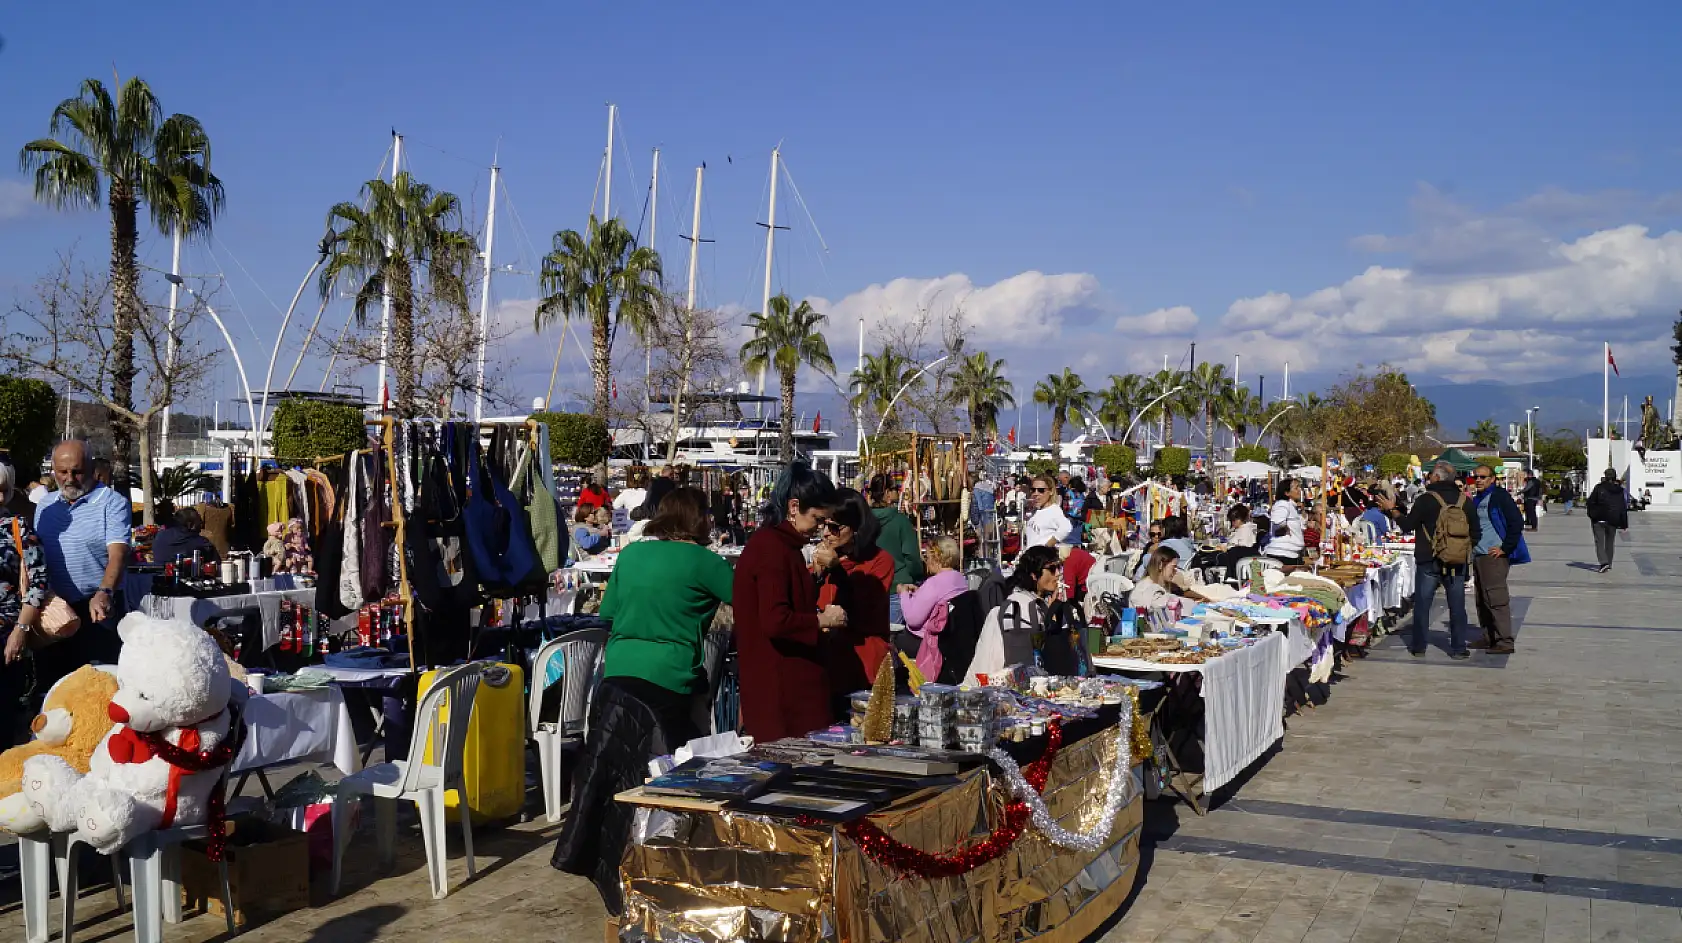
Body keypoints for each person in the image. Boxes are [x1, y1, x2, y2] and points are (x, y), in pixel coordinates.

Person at [598, 487, 734, 744]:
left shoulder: (630, 554)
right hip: (670, 674)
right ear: (698, 518)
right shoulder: (707, 562)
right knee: (674, 758)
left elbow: (607, 614)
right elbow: (751, 603)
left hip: (618, 668)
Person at [732, 463, 845, 742]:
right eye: (817, 519)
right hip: (782, 693)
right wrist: (822, 620)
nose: (820, 529)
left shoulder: (782, 547)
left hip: (786, 686)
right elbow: (775, 619)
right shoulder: (772, 549)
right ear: (794, 507)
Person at [34, 441, 129, 670]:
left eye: (77, 472)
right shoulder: (45, 505)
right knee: (53, 686)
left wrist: (104, 591)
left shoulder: (112, 502)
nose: (69, 478)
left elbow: (118, 555)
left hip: (96, 609)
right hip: (55, 610)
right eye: (62, 472)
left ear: (91, 468)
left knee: (101, 681)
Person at [1375, 461, 1481, 659]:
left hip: (1428, 560)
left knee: (1423, 604)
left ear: (1438, 478)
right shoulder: (1464, 501)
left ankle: (1419, 646)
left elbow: (1407, 525)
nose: (1428, 477)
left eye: (1431, 474)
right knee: (1457, 605)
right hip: (1456, 562)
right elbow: (1475, 532)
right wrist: (1459, 549)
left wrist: (1393, 510)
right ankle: (1458, 648)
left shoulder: (1426, 499)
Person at [813, 487, 895, 700]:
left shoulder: (880, 561)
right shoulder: (827, 559)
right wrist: (816, 577)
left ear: (855, 528)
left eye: (834, 527)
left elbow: (862, 609)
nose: (826, 534)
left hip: (864, 669)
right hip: (828, 667)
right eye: (823, 526)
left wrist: (837, 571)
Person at [1, 463, 49, 748]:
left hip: (5, 632)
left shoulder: (17, 527)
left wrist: (20, 630)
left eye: (2, 490)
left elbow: (38, 582)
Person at [965, 545, 1059, 681]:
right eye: (1052, 569)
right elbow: (1030, 658)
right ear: (1034, 575)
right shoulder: (1023, 608)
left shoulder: (1031, 603)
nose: (1057, 574)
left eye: (1059, 567)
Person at [1469, 464, 1528, 654]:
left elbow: (1516, 522)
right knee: (1482, 598)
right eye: (1476, 476)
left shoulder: (1499, 496)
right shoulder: (1478, 499)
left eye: (1483, 477)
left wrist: (1505, 548)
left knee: (1496, 598)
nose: (1478, 480)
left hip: (1493, 557)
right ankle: (1489, 636)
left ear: (1492, 479)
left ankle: (1504, 640)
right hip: (1479, 555)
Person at [897, 537, 966, 682]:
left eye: (927, 557)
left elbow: (913, 620)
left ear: (936, 558)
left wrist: (903, 594)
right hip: (951, 636)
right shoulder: (960, 579)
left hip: (928, 640)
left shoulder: (934, 583)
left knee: (893, 641)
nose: (926, 561)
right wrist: (918, 593)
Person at [867, 475, 922, 623]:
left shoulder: (864, 521)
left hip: (871, 588)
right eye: (896, 488)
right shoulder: (900, 521)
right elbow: (912, 557)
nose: (898, 492)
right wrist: (916, 575)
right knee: (894, 639)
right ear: (887, 493)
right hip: (897, 586)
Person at [1584, 468, 1629, 573]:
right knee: (1610, 542)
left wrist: (1592, 514)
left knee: (1599, 541)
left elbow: (1590, 502)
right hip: (1613, 519)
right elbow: (1622, 507)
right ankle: (1608, 562)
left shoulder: (1599, 488)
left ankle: (1604, 563)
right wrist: (1624, 524)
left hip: (1599, 519)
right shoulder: (1620, 490)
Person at [149, 506, 222, 568]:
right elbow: (217, 565)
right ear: (190, 525)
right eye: (199, 522)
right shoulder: (201, 543)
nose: (201, 525)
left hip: (159, 579)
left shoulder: (160, 535)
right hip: (185, 581)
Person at [1020, 475, 1071, 550]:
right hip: (1030, 556)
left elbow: (1066, 528)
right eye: (1033, 490)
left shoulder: (1054, 510)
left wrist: (1048, 546)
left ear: (1050, 491)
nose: (1035, 493)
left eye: (1041, 490)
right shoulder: (1035, 510)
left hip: (1042, 558)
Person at [1131, 545, 1189, 610]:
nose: (1175, 571)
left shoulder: (1160, 584)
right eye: (1173, 567)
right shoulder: (1146, 589)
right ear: (1161, 565)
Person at [1263, 478, 1306, 565]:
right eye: (1296, 488)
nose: (1299, 490)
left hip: (1290, 552)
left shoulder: (1291, 506)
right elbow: (1278, 521)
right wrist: (1286, 528)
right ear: (1287, 493)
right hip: (1282, 553)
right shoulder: (1282, 504)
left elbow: (1301, 526)